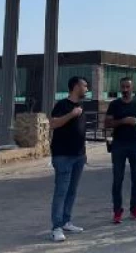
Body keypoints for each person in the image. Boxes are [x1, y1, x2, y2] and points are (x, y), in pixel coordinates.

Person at [105, 77, 136, 224]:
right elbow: (107, 123)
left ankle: (135, 208)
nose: (125, 90)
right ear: (120, 88)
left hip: (135, 144)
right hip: (119, 144)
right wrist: (123, 121)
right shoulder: (114, 104)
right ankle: (117, 211)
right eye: (123, 87)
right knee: (117, 179)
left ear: (132, 88)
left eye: (127, 87)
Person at [49, 77, 88, 242]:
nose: (87, 89)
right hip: (63, 156)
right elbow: (53, 124)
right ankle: (56, 227)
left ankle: (66, 221)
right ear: (76, 86)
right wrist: (71, 114)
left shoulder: (81, 106)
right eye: (85, 86)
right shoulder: (62, 105)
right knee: (61, 191)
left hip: (79, 155)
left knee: (72, 191)